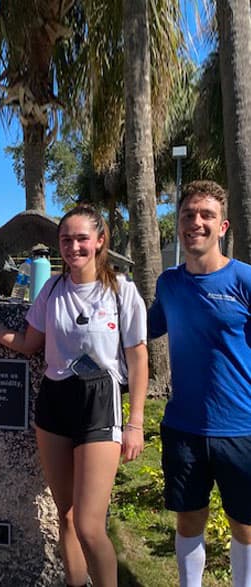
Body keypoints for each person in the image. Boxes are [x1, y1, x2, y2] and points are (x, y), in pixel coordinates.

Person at [0, 204, 148, 587]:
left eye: (81, 238)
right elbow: (29, 344)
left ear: (98, 241)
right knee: (66, 515)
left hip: (99, 401)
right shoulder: (52, 291)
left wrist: (136, 422)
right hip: (55, 400)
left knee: (90, 525)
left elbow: (138, 358)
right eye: (66, 239)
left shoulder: (121, 291)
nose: (73, 246)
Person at [148, 180, 251, 587]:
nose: (196, 222)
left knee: (245, 525)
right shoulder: (169, 284)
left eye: (207, 215)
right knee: (189, 520)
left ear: (222, 227)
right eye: (189, 214)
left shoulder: (244, 280)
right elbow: (141, 331)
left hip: (241, 428)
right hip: (184, 427)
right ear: (179, 225)